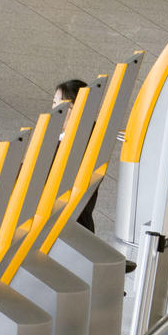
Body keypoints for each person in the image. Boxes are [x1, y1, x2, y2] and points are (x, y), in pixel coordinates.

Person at [53, 78, 99, 233]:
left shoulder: (72, 145)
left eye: (61, 106)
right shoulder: (89, 134)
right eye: (54, 103)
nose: (54, 110)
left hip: (64, 225)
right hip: (81, 221)